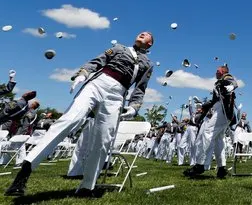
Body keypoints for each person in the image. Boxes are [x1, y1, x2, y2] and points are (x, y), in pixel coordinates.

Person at [5, 31, 155, 197]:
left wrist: (134, 107)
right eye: (141, 32)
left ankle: (87, 186)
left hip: (118, 95)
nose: (142, 33)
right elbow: (98, 62)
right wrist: (82, 74)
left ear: (150, 44)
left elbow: (140, 88)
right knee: (70, 120)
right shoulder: (119, 48)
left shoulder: (148, 64)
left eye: (147, 35)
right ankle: (24, 172)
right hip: (98, 83)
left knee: (104, 139)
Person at [183, 64, 238, 179]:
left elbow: (233, 82)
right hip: (219, 109)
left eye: (218, 71)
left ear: (223, 71)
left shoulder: (226, 78)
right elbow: (214, 100)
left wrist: (231, 87)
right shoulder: (217, 83)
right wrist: (204, 105)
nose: (216, 72)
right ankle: (222, 169)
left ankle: (200, 164)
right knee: (218, 140)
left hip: (223, 110)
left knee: (207, 132)